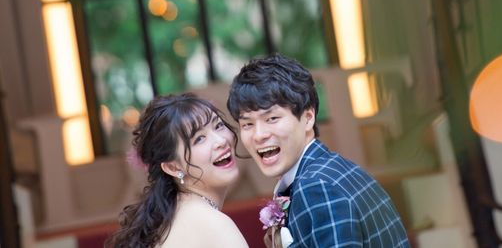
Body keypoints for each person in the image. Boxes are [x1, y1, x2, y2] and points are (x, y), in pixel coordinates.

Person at [227, 53, 410, 247]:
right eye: (247, 124)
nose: (258, 135)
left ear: (308, 118)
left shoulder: (316, 187)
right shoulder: (336, 170)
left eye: (272, 119)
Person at [106, 93, 249, 248]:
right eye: (199, 139)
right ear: (172, 167)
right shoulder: (212, 223)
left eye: (218, 126)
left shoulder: (171, 218)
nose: (221, 141)